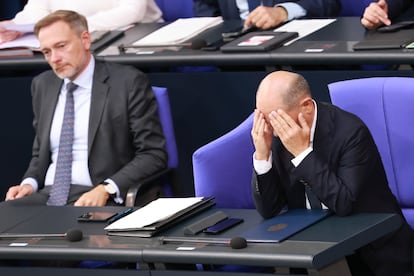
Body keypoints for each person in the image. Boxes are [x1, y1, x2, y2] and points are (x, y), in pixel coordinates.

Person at [251, 71, 414, 276]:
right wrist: (262, 155)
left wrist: (302, 154)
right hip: (310, 246)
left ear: (306, 107)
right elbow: (268, 209)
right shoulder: (275, 135)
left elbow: (343, 203)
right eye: (262, 117)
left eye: (275, 117)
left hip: (369, 248)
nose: (270, 128)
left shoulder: (350, 133)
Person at [2, 10, 167, 207]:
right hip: (49, 195)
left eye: (61, 46)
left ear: (85, 40)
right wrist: (29, 183)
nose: (54, 58)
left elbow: (153, 154)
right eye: (46, 52)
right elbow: (41, 153)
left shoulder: (127, 82)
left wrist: (107, 188)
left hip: (99, 195)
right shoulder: (43, 85)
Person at [0, 0, 163, 42]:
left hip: (138, 38)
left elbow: (132, 11)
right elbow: (37, 9)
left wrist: (74, 25)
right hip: (76, 41)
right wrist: (15, 25)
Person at [193, 0, 341, 30]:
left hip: (295, 51)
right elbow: (206, 7)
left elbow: (328, 3)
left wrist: (284, 11)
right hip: (234, 57)